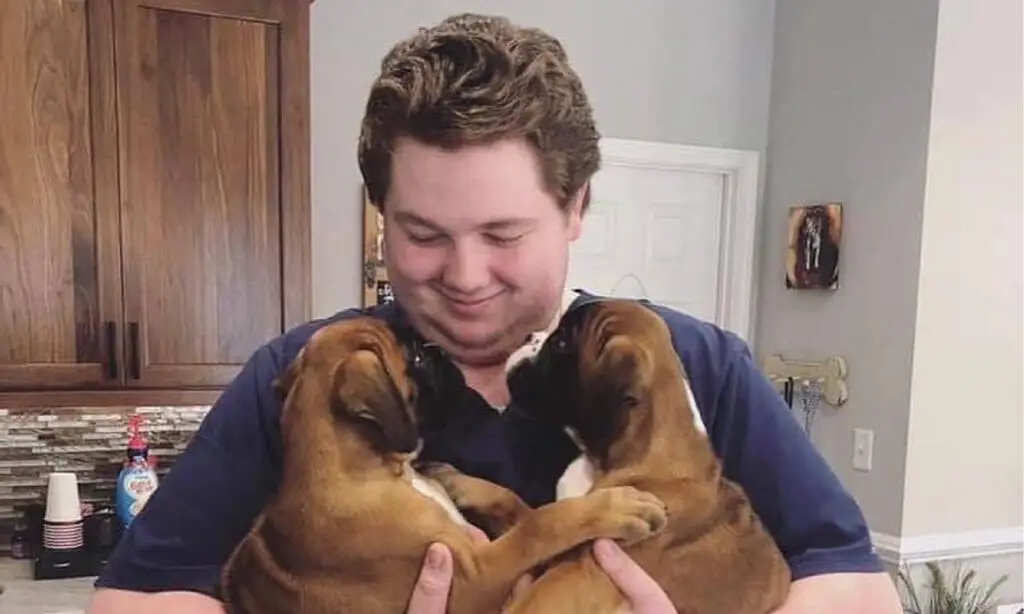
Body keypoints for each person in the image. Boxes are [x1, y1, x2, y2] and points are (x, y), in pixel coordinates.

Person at [86, 13, 902, 614]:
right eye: (423, 233)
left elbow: (859, 586)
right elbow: (131, 603)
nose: (465, 276)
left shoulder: (695, 366)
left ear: (576, 206)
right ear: (381, 214)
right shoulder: (305, 376)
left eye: (504, 233)